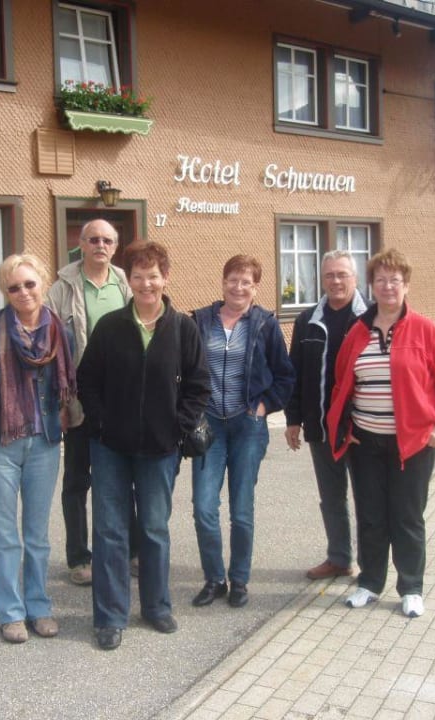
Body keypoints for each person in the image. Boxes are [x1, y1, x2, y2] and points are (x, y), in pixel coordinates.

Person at [77, 240, 210, 650]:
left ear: (165, 278)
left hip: (160, 449)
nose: (146, 283)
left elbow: (198, 386)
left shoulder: (183, 328)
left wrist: (177, 426)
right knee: (110, 531)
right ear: (128, 280)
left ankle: (156, 606)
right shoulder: (111, 326)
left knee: (154, 530)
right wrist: (101, 421)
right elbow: (88, 381)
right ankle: (110, 616)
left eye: (153, 275)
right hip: (110, 447)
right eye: (138, 276)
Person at [326, 248, 435, 618]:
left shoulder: (424, 330)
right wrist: (347, 429)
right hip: (366, 443)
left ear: (406, 286)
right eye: (381, 280)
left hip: (413, 444)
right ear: (371, 286)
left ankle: (411, 587)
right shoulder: (358, 332)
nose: (388, 287)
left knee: (406, 516)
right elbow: (343, 382)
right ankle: (370, 582)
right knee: (371, 515)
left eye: (395, 280)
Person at [0, 253, 76, 643]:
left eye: (30, 284)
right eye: (14, 287)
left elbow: (68, 384)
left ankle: (39, 606)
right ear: (5, 292)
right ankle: (10, 613)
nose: (23, 292)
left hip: (44, 442)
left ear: (43, 283)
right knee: (4, 534)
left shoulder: (62, 333)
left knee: (37, 534)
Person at [190, 255, 295, 609]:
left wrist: (264, 406)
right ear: (223, 282)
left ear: (256, 287)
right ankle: (214, 579)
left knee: (241, 510)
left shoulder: (265, 324)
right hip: (209, 426)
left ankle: (239, 580)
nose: (238, 287)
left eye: (246, 281)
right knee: (204, 507)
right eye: (232, 279)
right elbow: (185, 370)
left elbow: (285, 376)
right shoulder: (201, 321)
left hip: (247, 424)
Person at [48, 218, 136, 586]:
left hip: (121, 399)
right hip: (80, 399)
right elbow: (50, 346)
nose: (100, 245)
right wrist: (60, 402)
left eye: (107, 240)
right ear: (80, 245)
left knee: (122, 479)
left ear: (115, 246)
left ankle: (129, 551)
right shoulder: (62, 288)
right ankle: (78, 558)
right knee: (76, 481)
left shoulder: (125, 283)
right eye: (93, 239)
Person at [285, 251, 368, 580]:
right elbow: (296, 373)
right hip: (321, 427)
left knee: (367, 499)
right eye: (330, 275)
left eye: (342, 275)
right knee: (331, 498)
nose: (336, 281)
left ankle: (370, 564)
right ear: (322, 280)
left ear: (355, 279)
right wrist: (293, 419)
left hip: (363, 428)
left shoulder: (371, 319)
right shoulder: (307, 320)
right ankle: (339, 558)